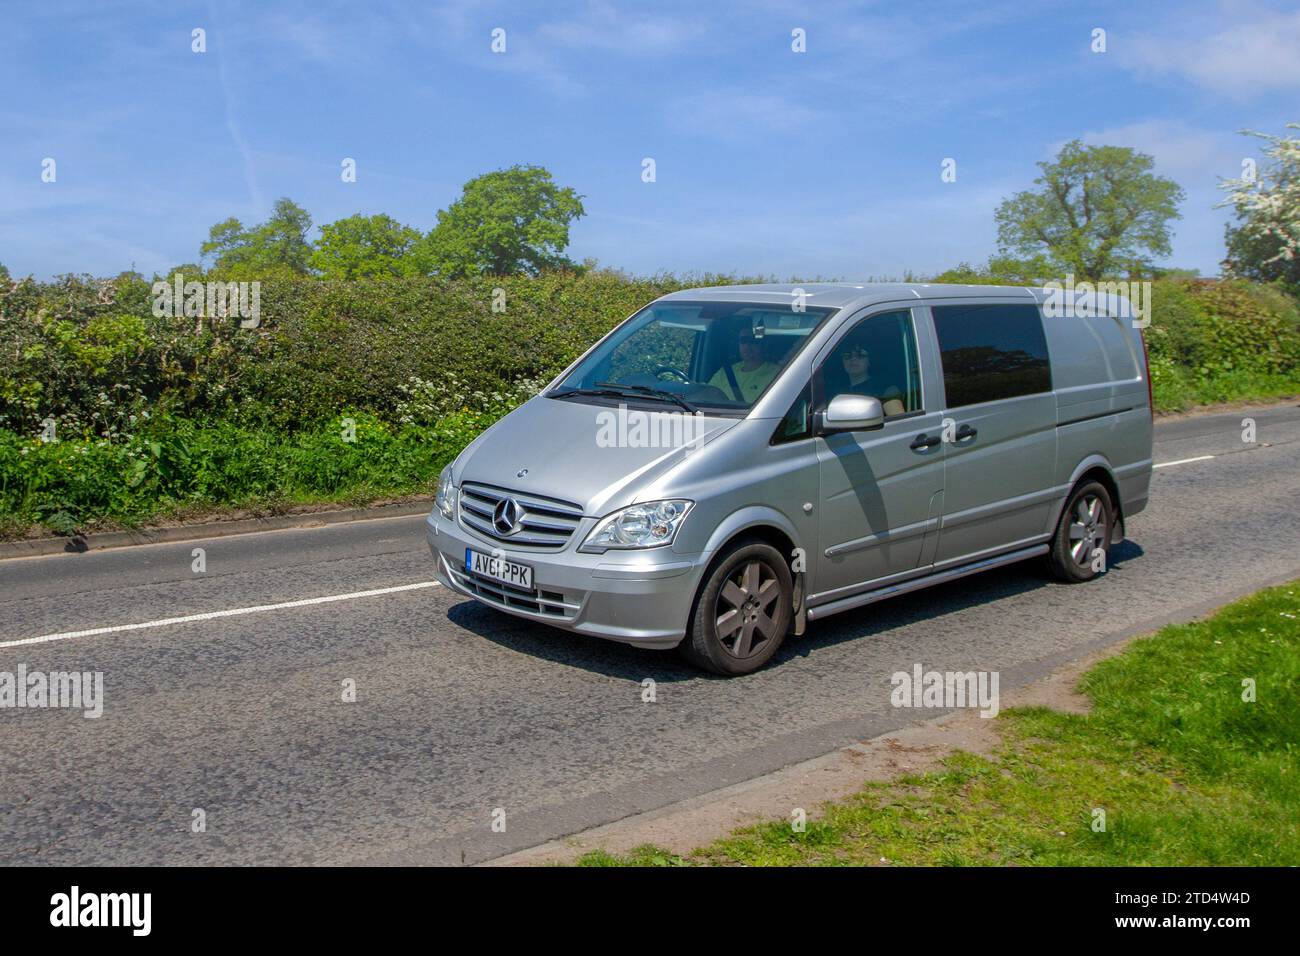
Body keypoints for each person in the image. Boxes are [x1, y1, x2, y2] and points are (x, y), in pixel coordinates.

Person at [708, 327, 779, 403]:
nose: (747, 346)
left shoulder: (777, 374)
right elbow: (706, 396)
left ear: (763, 344)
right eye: (743, 341)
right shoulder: (725, 372)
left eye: (753, 341)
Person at [835, 344, 906, 416]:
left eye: (860, 355)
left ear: (869, 360)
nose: (853, 359)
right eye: (847, 355)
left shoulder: (886, 390)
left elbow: (900, 423)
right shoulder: (836, 393)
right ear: (842, 361)